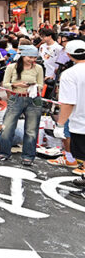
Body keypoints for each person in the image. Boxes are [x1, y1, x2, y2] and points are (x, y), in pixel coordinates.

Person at [0, 44, 43, 165]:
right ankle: (4, 152)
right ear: (23, 56)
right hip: (16, 97)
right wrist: (16, 84)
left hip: (33, 99)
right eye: (29, 57)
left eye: (34, 57)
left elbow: (41, 84)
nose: (32, 60)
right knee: (7, 127)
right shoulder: (12, 67)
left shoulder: (38, 68)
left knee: (31, 130)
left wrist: (35, 86)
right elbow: (5, 83)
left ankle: (28, 156)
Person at [55, 40, 85, 183]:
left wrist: (60, 124)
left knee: (82, 153)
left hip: (81, 122)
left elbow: (68, 102)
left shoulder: (69, 74)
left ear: (68, 54)